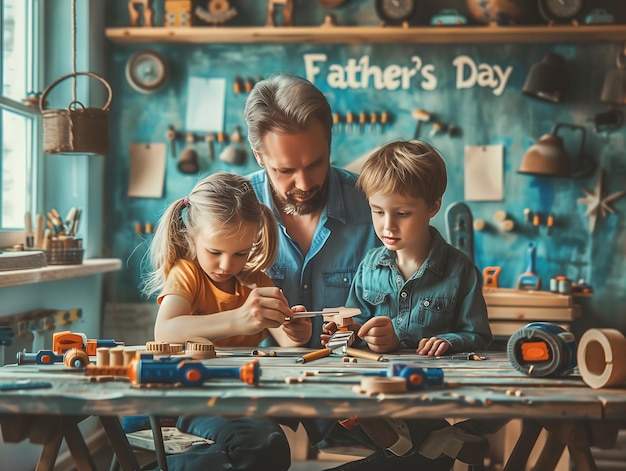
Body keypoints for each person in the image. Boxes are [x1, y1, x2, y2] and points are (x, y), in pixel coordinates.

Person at [319, 140, 494, 470]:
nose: (388, 226)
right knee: (334, 415)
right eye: (377, 211)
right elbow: (353, 322)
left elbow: (478, 335)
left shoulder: (459, 270)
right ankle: (432, 444)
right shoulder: (368, 266)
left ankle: (422, 444)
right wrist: (344, 333)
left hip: (425, 396)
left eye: (402, 214)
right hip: (375, 393)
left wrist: (448, 341)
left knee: (410, 457)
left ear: (433, 206)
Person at [141, 172, 312, 471]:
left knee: (270, 446)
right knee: (258, 448)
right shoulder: (187, 274)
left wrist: (295, 329)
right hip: (189, 398)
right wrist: (238, 319)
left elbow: (287, 340)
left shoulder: (256, 281)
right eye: (215, 252)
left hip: (239, 397)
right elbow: (165, 329)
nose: (226, 265)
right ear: (191, 237)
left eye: (240, 254)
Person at [244, 73, 380, 349]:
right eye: (285, 170)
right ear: (259, 156)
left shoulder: (374, 206)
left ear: (329, 144)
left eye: (316, 164)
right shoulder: (230, 211)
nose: (304, 184)